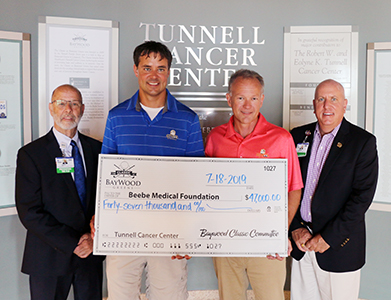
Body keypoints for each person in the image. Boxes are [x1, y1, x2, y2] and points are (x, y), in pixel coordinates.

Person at [100, 41, 204, 300]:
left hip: (171, 230)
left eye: (161, 68)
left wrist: (190, 233)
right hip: (123, 229)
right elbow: (106, 177)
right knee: (120, 295)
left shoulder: (187, 119)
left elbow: (197, 180)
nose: (154, 75)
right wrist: (101, 220)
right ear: (136, 70)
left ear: (168, 72)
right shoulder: (116, 117)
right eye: (147, 68)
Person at [205, 69, 303, 300]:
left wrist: (279, 232)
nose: (247, 105)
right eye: (240, 98)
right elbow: (206, 190)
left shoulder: (281, 139)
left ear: (262, 99)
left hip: (266, 242)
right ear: (229, 99)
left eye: (253, 98)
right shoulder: (215, 138)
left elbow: (294, 188)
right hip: (225, 242)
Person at [289, 79, 378, 300]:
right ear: (314, 104)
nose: (327, 105)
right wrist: (294, 227)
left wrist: (328, 237)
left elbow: (361, 199)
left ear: (344, 104)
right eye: (321, 99)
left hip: (338, 247)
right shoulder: (297, 136)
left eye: (334, 99)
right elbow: (285, 186)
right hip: (302, 244)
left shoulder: (362, 142)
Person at [15, 84, 104, 300]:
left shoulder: (98, 149)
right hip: (49, 257)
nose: (68, 109)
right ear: (51, 108)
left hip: (89, 256)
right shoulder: (31, 154)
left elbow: (107, 201)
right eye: (61, 103)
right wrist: (73, 243)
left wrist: (95, 239)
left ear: (82, 109)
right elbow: (30, 212)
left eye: (74, 104)